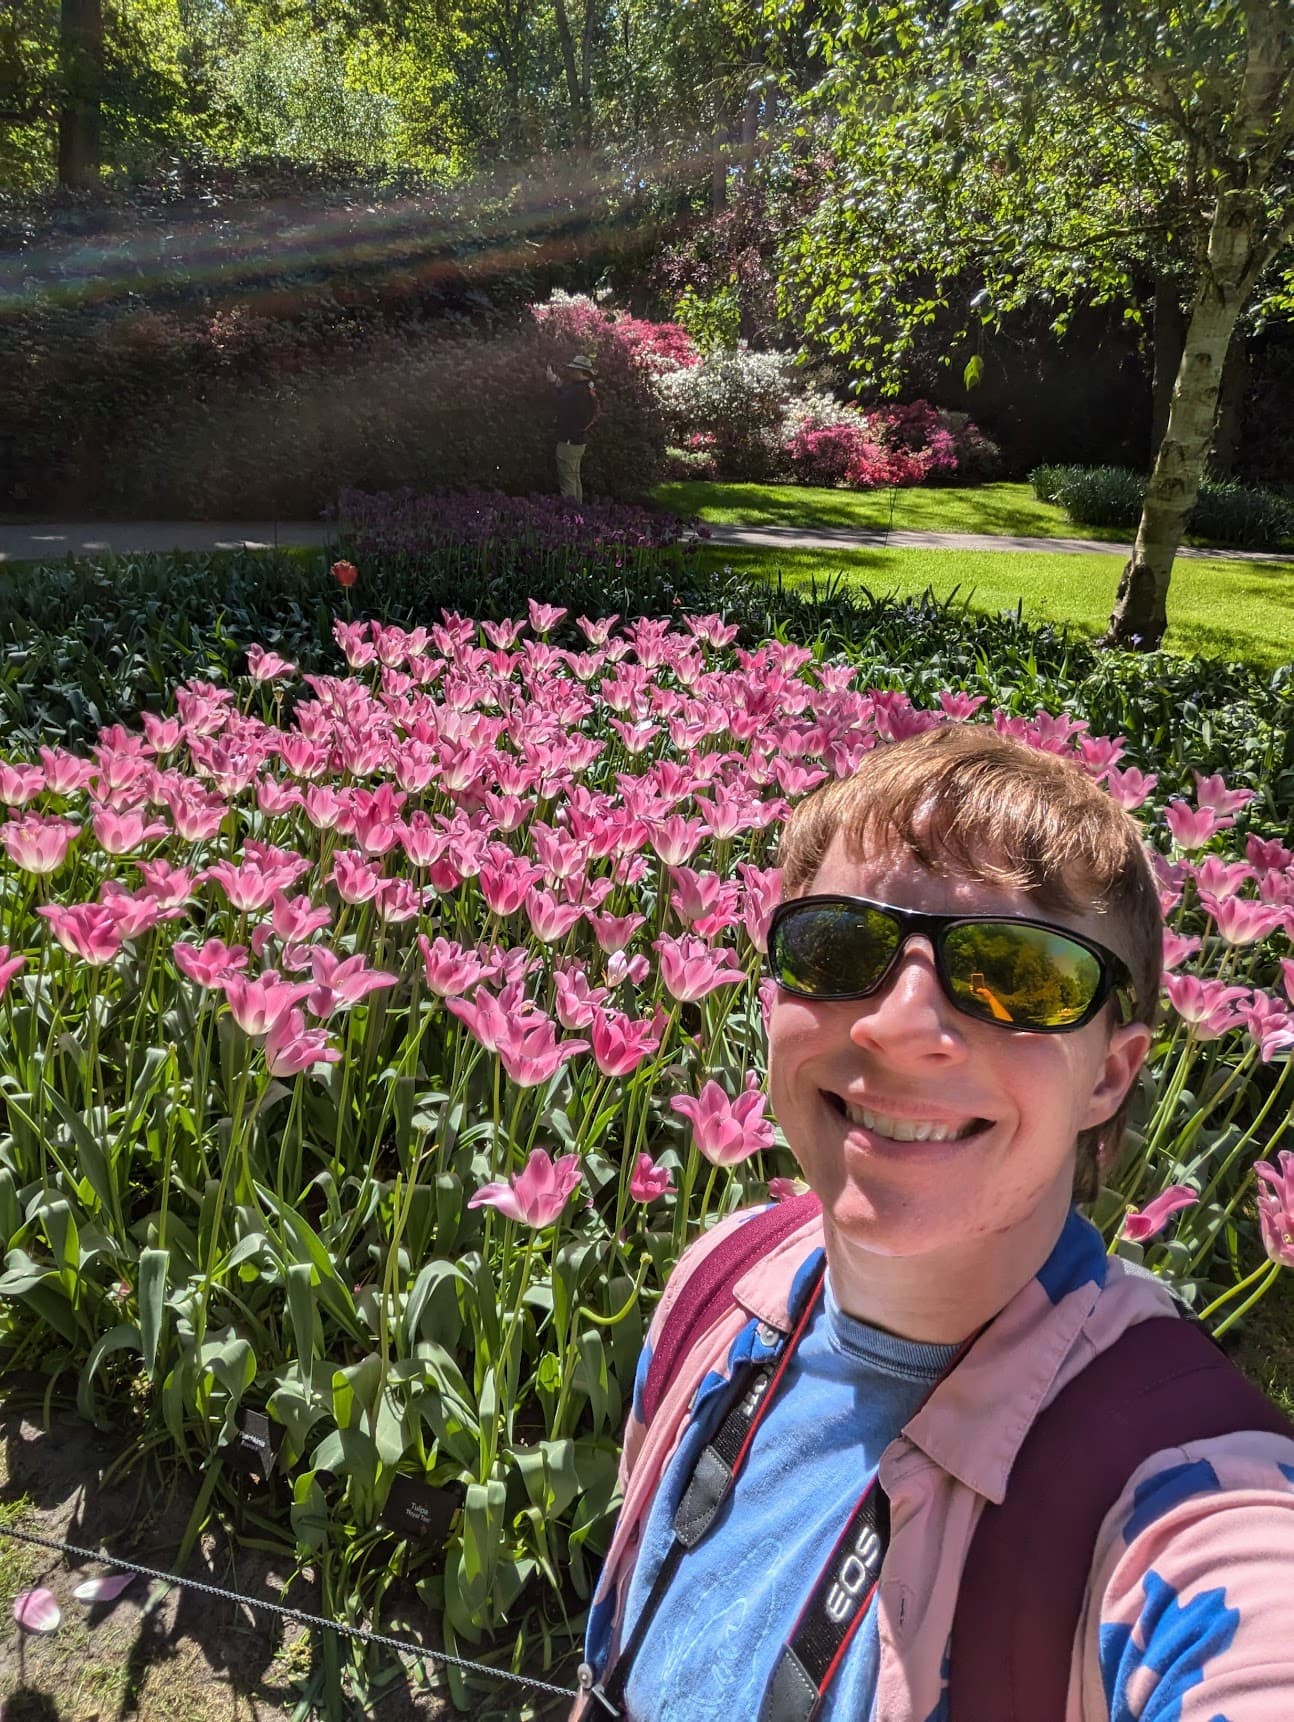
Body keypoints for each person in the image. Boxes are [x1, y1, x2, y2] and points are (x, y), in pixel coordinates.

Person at [575, 724, 1294, 1721]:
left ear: (1111, 1076)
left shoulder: (1180, 1494)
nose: (899, 1025)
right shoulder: (717, 1290)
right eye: (837, 946)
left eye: (1020, 971)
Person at [547, 353, 599, 502]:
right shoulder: (585, 389)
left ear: (580, 372)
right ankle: (579, 514)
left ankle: (571, 514)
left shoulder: (578, 392)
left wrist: (552, 384)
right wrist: (557, 383)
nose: (571, 372)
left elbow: (559, 403)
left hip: (569, 441)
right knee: (574, 477)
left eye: (574, 370)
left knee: (567, 480)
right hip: (579, 441)